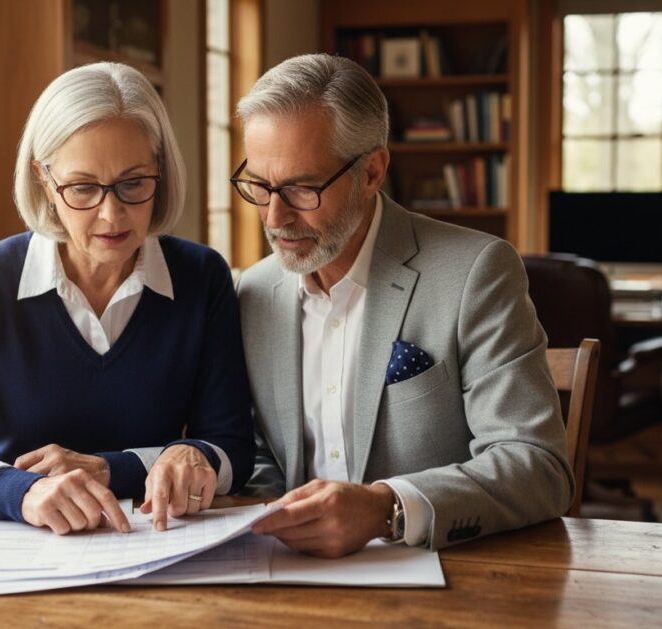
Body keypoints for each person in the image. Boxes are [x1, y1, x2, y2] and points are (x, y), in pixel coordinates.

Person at [0, 62, 254, 535]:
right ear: (44, 180)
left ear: (160, 171)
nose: (112, 214)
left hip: (156, 544)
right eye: (83, 188)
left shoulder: (202, 277)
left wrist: (115, 467)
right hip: (15, 547)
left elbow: (232, 450)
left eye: (134, 183)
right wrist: (21, 493)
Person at [233, 54, 572, 557]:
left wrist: (384, 507)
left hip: (445, 572)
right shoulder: (255, 293)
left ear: (372, 172)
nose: (274, 216)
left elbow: (536, 465)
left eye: (302, 188)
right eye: (259, 186)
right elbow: (262, 455)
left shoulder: (476, 273)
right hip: (290, 578)